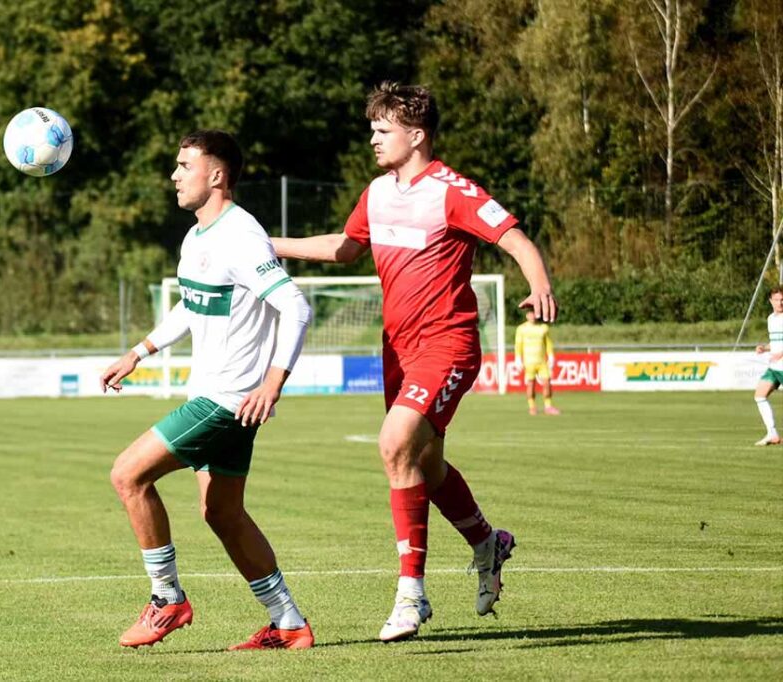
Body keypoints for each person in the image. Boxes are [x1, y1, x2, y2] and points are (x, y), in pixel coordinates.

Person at [271, 82, 558, 642]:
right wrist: (270, 243)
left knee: (393, 444)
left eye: (383, 130)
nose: (373, 140)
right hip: (397, 350)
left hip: (448, 344)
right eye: (373, 129)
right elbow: (345, 248)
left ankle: (411, 596)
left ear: (416, 135)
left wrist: (540, 283)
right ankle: (487, 543)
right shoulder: (377, 193)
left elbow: (515, 238)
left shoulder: (453, 191)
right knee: (424, 469)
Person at [102, 130, 315, 650]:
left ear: (216, 175)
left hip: (224, 401)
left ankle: (166, 599)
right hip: (225, 401)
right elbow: (192, 304)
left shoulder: (241, 237)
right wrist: (139, 351)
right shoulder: (198, 236)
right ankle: (288, 623)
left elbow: (296, 307)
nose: (174, 175)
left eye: (184, 165)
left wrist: (273, 381)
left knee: (127, 476)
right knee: (222, 513)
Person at [514, 308, 560, 415]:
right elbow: (518, 344)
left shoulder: (543, 328)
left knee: (547, 382)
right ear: (527, 315)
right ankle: (532, 406)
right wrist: (518, 358)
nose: (532, 315)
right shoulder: (521, 329)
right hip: (529, 362)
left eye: (534, 313)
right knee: (531, 384)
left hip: (541, 361)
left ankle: (548, 406)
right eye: (530, 313)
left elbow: (548, 343)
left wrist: (551, 356)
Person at [753, 286, 783, 446]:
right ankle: (772, 434)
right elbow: (776, 342)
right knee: (759, 395)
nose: (780, 302)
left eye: (782, 299)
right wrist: (764, 348)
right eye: (777, 299)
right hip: (775, 367)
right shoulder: (771, 318)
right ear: (771, 301)